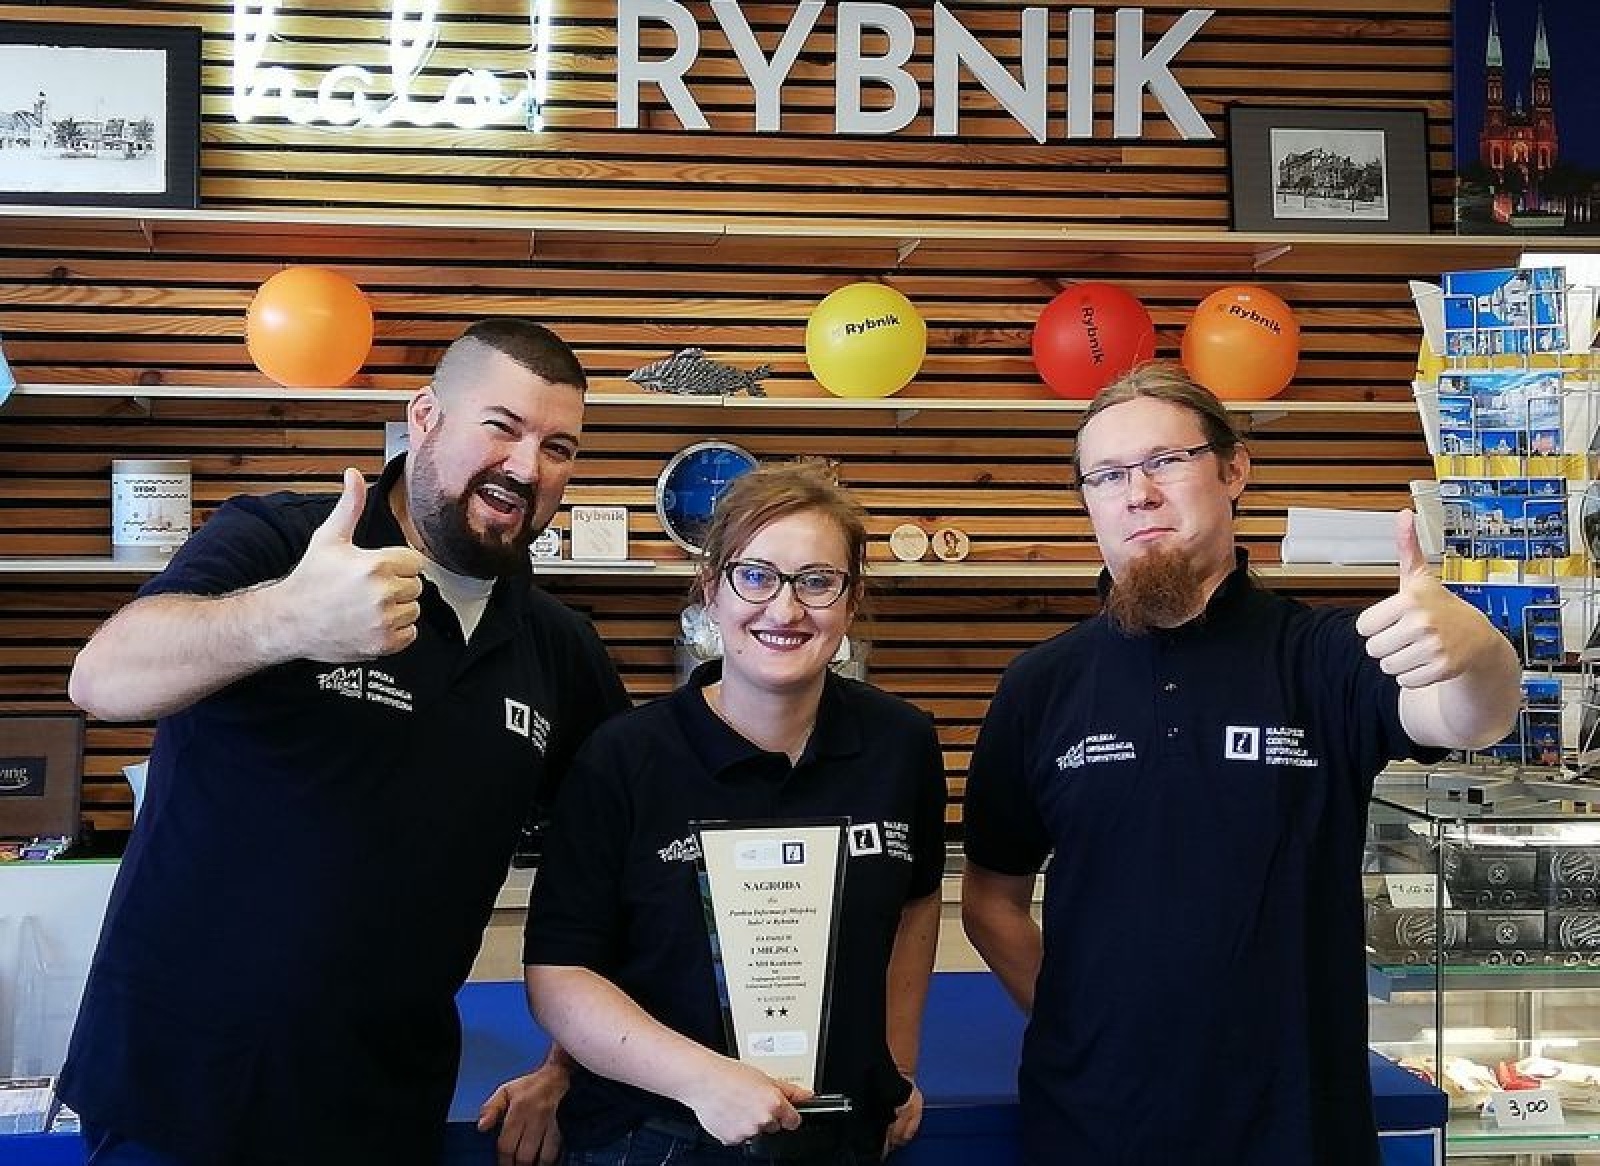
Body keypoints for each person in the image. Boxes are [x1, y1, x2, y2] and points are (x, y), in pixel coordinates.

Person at [58, 318, 630, 1166]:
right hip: (179, 1091)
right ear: (426, 417)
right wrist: (286, 619)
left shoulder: (558, 646)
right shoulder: (283, 542)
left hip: (385, 1108)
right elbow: (102, 679)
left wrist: (566, 1064)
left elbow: (618, 861)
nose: (525, 467)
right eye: (502, 428)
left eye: (558, 448)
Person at [960, 361, 1521, 1166]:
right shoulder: (1040, 685)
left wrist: (1480, 654)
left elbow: (1468, 718)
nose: (1137, 493)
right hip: (1094, 1121)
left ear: (1233, 470)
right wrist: (1073, 1020)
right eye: (1107, 475)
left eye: (1165, 461)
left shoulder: (1325, 657)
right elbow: (991, 899)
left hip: (1296, 1121)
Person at [521, 461, 947, 1164]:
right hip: (654, 1133)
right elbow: (560, 975)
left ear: (851, 602)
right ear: (711, 588)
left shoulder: (900, 744)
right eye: (756, 576)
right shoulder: (624, 758)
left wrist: (897, 1064)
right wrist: (703, 1081)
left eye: (817, 581)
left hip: (837, 1134)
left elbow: (919, 898)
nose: (785, 610)